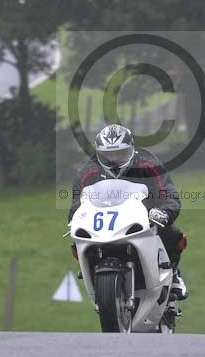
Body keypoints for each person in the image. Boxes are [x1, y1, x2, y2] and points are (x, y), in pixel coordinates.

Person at [68, 123, 188, 299]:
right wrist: (74, 218)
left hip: (144, 215)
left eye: (120, 153)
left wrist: (165, 212)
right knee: (77, 241)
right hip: (103, 219)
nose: (114, 158)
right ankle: (92, 274)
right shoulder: (88, 171)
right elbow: (77, 201)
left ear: (131, 149)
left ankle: (174, 274)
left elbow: (167, 191)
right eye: (108, 154)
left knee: (172, 234)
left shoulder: (148, 163)